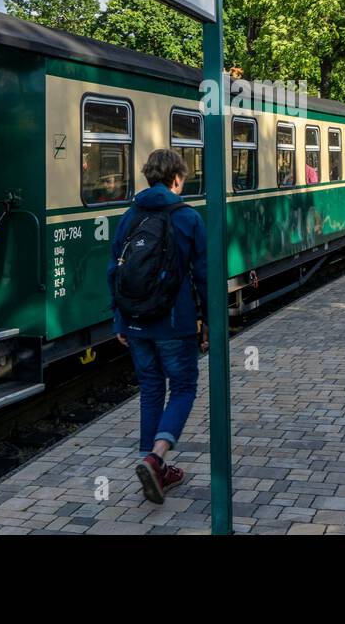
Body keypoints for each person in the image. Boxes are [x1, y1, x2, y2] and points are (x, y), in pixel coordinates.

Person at [108, 148, 208, 504]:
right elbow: (204, 276)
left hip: (135, 323)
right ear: (177, 178)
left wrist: (119, 318)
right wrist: (209, 321)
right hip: (174, 322)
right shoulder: (187, 217)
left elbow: (114, 271)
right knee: (183, 387)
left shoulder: (130, 215)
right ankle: (157, 456)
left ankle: (151, 465)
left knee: (150, 390)